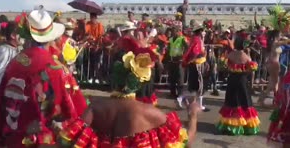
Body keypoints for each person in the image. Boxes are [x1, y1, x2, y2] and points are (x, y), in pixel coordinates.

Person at [57, 49, 200, 147]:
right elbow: (185, 142)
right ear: (138, 83)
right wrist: (193, 116)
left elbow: (69, 140)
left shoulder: (95, 108)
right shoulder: (151, 113)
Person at [0, 10, 77, 148]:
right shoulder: (54, 67)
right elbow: (67, 109)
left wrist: (0, 138)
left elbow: (0, 101)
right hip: (41, 140)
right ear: (50, 38)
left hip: (14, 138)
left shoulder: (16, 61)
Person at [216, 36, 260, 135]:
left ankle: (230, 125)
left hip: (232, 80)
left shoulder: (231, 54)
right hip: (242, 81)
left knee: (232, 101)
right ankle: (246, 126)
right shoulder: (245, 56)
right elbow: (252, 67)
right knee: (244, 101)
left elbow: (223, 65)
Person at [257, 30, 290, 106]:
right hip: (274, 64)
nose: (281, 36)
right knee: (276, 83)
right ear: (276, 36)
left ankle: (262, 99)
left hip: (272, 63)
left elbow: (285, 40)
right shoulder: (276, 43)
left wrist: (285, 35)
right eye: (279, 35)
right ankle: (277, 101)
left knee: (272, 83)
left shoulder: (273, 42)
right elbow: (287, 41)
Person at [182, 24, 208, 111]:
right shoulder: (197, 39)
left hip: (196, 63)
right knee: (199, 85)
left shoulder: (195, 39)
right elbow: (195, 52)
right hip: (197, 64)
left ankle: (196, 104)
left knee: (195, 85)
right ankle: (183, 98)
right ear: (200, 31)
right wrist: (190, 60)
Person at [268, 66, 290, 148]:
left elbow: (281, 93)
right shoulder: (289, 75)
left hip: (286, 113)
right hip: (288, 114)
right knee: (288, 139)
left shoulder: (289, 74)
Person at [165, 26, 188, 100]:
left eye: (175, 31)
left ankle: (180, 94)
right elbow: (168, 49)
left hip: (179, 60)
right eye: (172, 31)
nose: (173, 32)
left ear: (178, 31)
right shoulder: (171, 39)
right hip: (172, 60)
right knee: (172, 78)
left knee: (180, 77)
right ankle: (172, 93)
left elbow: (187, 48)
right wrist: (167, 59)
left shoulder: (182, 39)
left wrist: (183, 56)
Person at [85, 13, 104, 84]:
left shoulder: (100, 25)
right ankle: (91, 77)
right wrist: (90, 38)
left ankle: (97, 77)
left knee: (97, 63)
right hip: (90, 46)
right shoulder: (88, 24)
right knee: (91, 62)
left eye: (93, 17)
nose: (92, 19)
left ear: (96, 18)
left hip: (98, 46)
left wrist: (97, 44)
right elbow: (86, 33)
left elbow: (100, 36)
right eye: (91, 17)